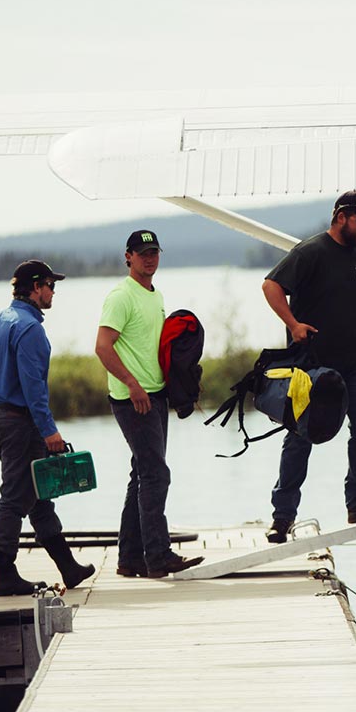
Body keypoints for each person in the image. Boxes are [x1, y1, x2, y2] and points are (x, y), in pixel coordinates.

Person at [261, 191, 356, 543]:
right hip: (312, 365)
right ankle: (282, 517)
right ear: (341, 217)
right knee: (300, 435)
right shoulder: (311, 251)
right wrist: (293, 324)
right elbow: (271, 286)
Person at [0, 259, 96, 597]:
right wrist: (49, 430)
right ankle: (3, 575)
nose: (54, 292)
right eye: (51, 285)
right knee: (13, 500)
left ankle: (68, 567)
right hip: (20, 425)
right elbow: (33, 386)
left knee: (37, 496)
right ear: (36, 287)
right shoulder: (30, 328)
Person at [95, 230, 204, 578]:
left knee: (141, 474)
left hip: (155, 395)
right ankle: (158, 557)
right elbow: (102, 347)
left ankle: (129, 558)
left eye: (154, 251)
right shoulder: (121, 297)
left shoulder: (154, 295)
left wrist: (180, 380)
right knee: (156, 474)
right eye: (142, 253)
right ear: (128, 257)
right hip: (133, 399)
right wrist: (132, 384)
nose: (149, 258)